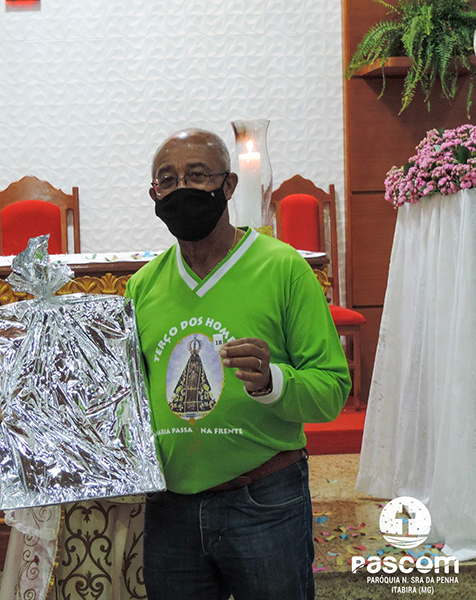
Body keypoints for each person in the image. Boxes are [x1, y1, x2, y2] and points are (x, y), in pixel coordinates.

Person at [122, 128, 351, 600]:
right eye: (168, 180)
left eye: (197, 175)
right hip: (171, 508)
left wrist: (271, 381)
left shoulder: (283, 268)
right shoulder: (142, 286)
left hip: (263, 501)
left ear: (228, 186)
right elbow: (129, 399)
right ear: (154, 195)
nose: (182, 189)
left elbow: (331, 390)